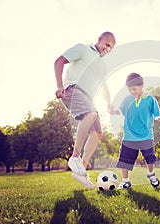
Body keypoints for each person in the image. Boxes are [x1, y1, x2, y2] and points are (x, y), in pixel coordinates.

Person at [54, 31, 116, 189]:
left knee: (97, 134)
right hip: (72, 89)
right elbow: (59, 61)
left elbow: (104, 85)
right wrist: (60, 86)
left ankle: (81, 172)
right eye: (107, 44)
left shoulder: (101, 65)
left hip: (88, 97)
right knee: (91, 114)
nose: (108, 49)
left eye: (111, 48)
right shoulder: (83, 49)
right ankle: (75, 157)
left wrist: (109, 103)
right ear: (99, 39)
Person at [111, 73, 160, 189]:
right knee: (125, 160)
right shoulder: (127, 99)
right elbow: (120, 111)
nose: (132, 92)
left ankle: (151, 174)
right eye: (130, 89)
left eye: (134, 89)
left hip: (146, 135)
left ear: (142, 85)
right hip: (129, 135)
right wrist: (112, 111)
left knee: (150, 157)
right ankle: (126, 181)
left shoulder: (150, 100)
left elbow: (159, 115)